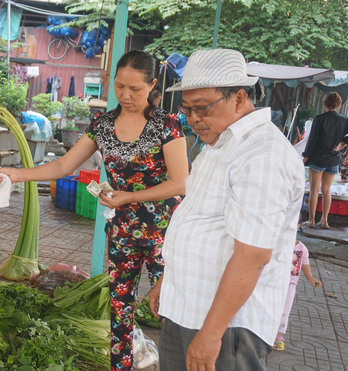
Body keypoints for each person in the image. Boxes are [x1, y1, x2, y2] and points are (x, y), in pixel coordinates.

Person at [0, 50, 188, 370]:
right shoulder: (103, 124)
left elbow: (180, 183)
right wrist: (16, 174)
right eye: (119, 86)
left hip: (164, 233)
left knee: (169, 310)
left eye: (135, 89)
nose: (125, 95)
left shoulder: (167, 125)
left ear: (153, 85)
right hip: (122, 230)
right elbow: (62, 164)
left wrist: (127, 196)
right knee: (119, 310)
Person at [148, 49, 304, 371]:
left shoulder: (263, 154)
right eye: (187, 109)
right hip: (189, 307)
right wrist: (169, 278)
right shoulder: (219, 144)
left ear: (238, 98)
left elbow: (252, 255)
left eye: (202, 107)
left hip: (225, 325)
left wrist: (211, 334)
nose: (193, 119)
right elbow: (197, 218)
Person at [302, 92, 348, 229]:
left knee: (314, 190)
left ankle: (311, 220)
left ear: (324, 104)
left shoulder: (320, 119)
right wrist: (341, 143)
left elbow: (312, 140)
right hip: (334, 159)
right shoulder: (344, 120)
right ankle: (324, 220)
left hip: (318, 158)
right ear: (339, 105)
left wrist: (306, 155)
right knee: (327, 191)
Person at [273, 239, 322, 351]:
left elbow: (305, 264)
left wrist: (310, 278)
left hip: (290, 284)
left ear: (298, 226)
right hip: (274, 281)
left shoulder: (302, 248)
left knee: (285, 311)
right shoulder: (278, 241)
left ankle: (279, 337)